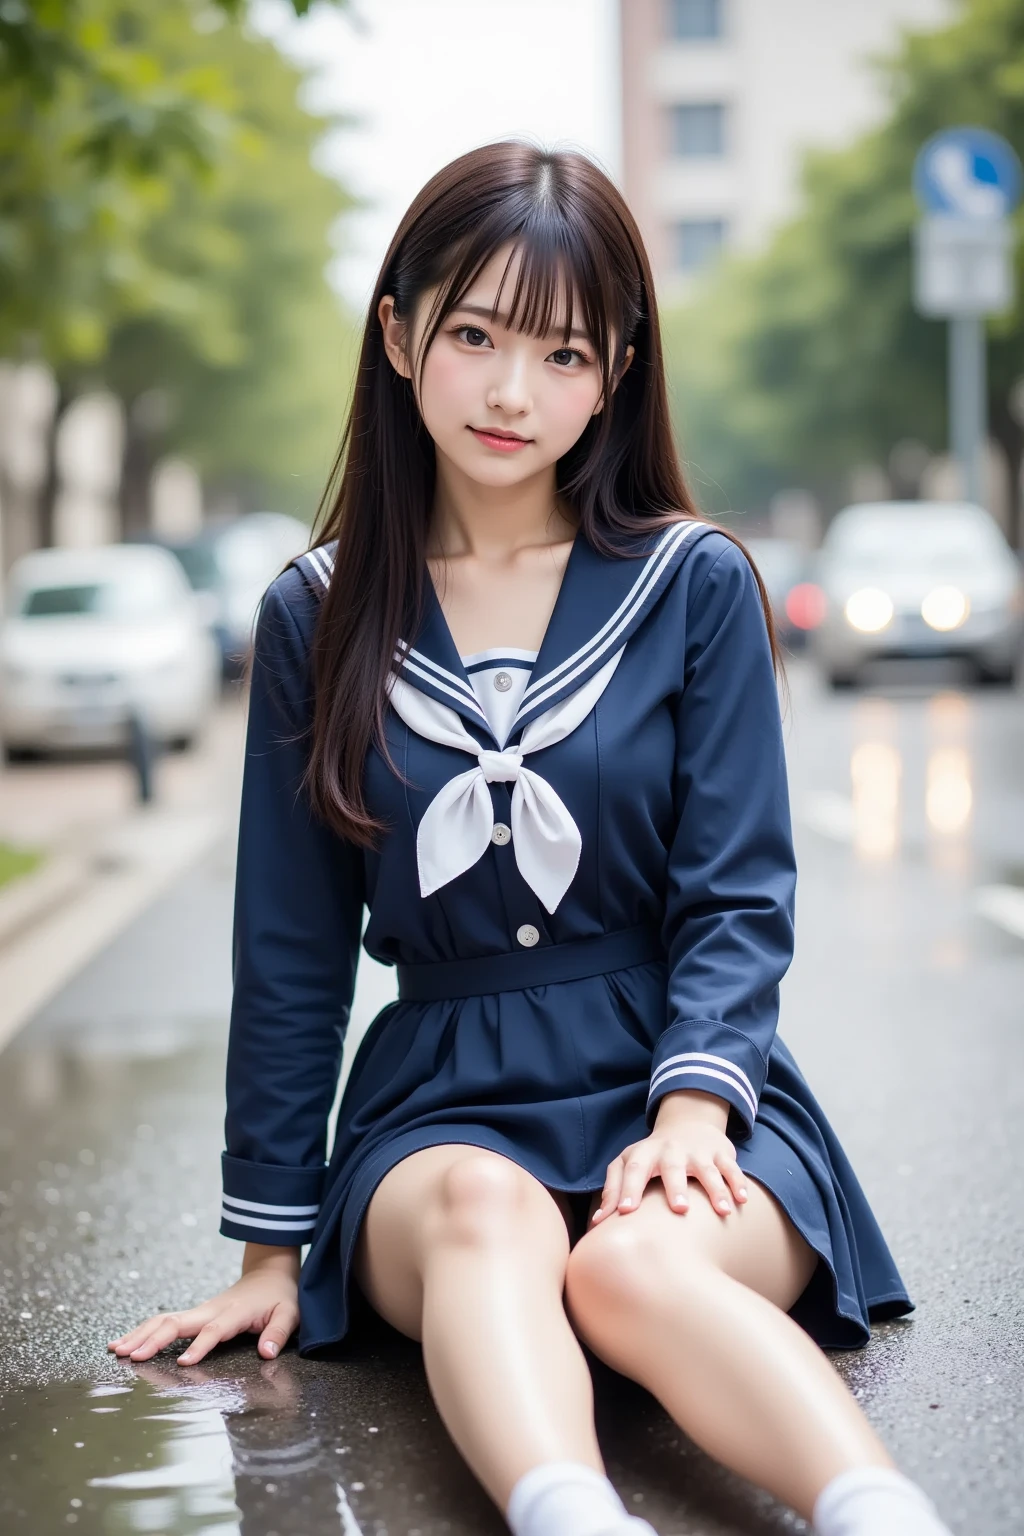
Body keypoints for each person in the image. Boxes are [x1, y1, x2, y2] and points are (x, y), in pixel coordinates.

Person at [110, 143, 952, 1536]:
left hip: (672, 1080)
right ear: (398, 334)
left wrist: (692, 1112)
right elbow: (292, 954)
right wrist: (268, 1249)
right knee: (489, 1221)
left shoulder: (692, 586)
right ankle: (570, 1519)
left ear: (617, 370)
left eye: (564, 355)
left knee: (633, 1270)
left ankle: (879, 1513)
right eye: (478, 336)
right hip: (439, 1101)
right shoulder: (315, 617)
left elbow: (735, 894)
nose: (513, 393)